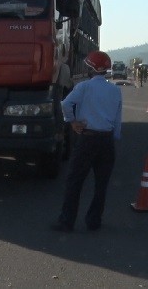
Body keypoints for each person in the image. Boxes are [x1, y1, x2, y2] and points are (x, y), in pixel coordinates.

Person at [53, 51, 123, 232]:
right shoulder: (115, 91)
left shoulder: (84, 87)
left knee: (75, 181)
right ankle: (94, 221)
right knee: (101, 185)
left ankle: (67, 221)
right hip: (106, 141)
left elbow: (65, 104)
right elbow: (117, 121)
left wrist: (73, 122)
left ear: (91, 67)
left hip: (87, 139)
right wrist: (112, 139)